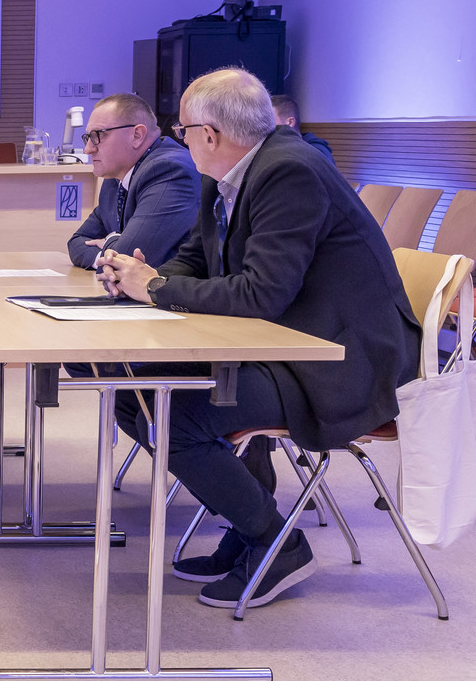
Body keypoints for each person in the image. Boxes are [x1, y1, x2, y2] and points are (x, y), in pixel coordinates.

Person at [98, 68, 419, 609]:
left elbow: (260, 293)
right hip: (282, 346)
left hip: (340, 362)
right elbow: (197, 259)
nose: (181, 140)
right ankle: (250, 527)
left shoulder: (290, 171)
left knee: (177, 414)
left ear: (210, 134)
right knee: (134, 397)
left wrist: (154, 288)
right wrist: (140, 277)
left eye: (182, 130)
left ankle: (276, 543)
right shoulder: (225, 172)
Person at [67, 93, 199, 270]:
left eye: (98, 135)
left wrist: (109, 240)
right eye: (88, 137)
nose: (88, 149)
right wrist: (110, 252)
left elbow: (127, 258)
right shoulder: (116, 177)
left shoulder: (169, 171)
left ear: (137, 135)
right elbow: (77, 242)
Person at [269, 94, 335, 161]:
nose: (266, 125)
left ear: (290, 122)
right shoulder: (273, 147)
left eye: (270, 120)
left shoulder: (318, 152)